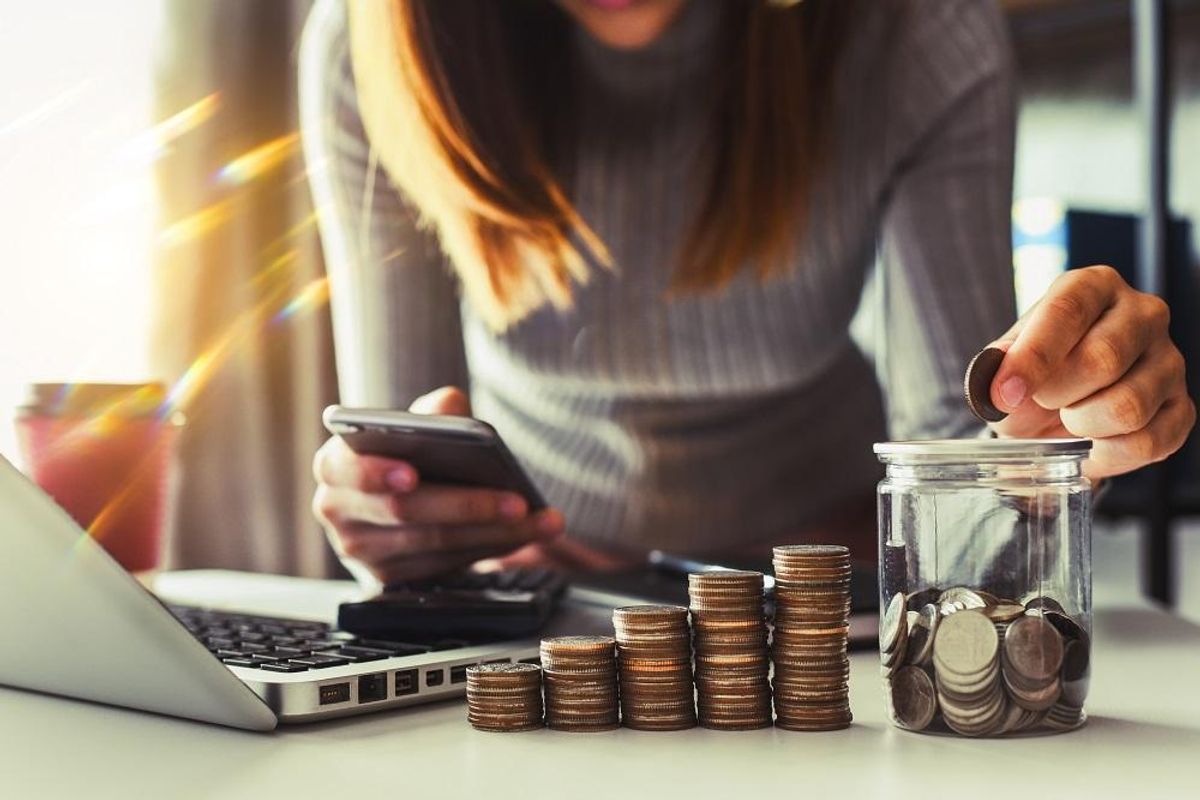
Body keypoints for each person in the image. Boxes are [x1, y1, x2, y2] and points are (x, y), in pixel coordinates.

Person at [299, 0, 1193, 586]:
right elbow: (401, 441)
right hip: (544, 609)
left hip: (834, 591)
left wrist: (1047, 454)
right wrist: (397, 521)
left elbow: (961, 479)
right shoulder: (371, 49)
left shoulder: (919, 31)